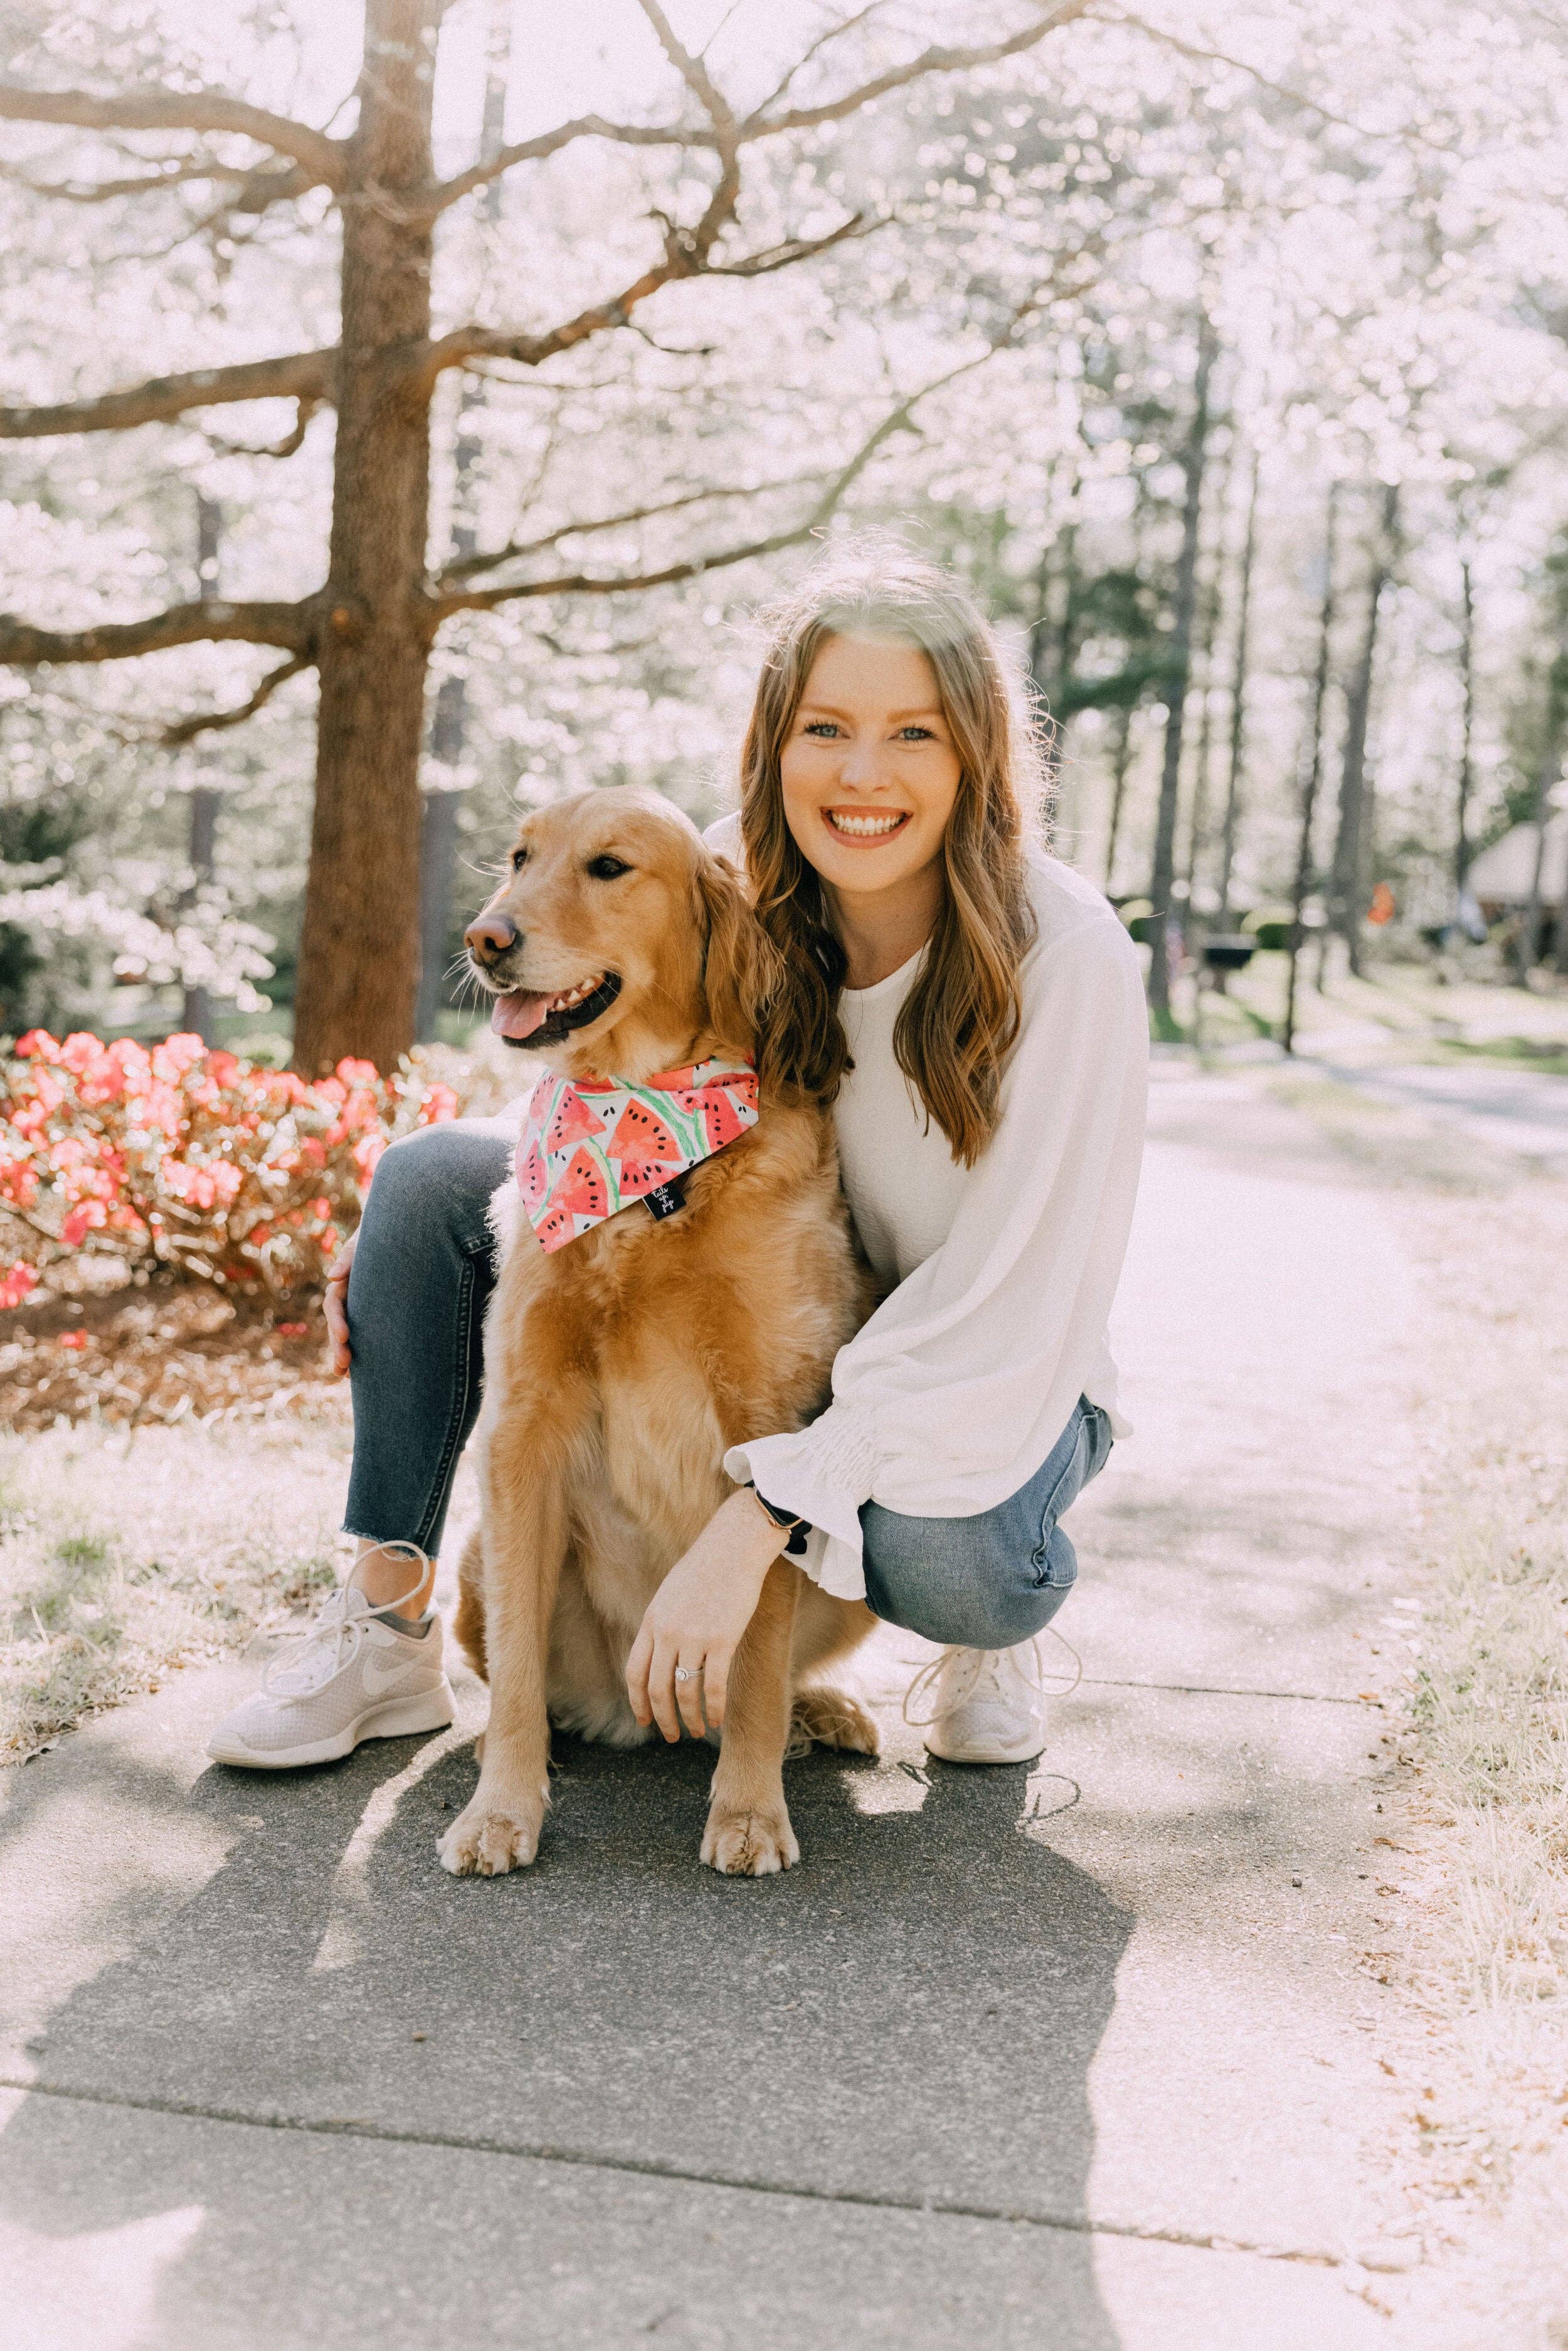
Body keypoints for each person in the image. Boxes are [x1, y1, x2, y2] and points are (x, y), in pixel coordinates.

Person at [208, 548, 1147, 1776]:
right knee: (430, 1185)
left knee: (947, 1554)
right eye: (825, 728)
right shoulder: (731, 872)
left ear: (973, 751)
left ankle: (990, 1633)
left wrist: (751, 1523)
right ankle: (386, 1630)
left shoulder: (1064, 954)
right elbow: (613, 1058)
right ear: (773, 744)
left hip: (988, 1366)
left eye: (911, 732)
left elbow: (1009, 1310)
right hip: (802, 1292)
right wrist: (451, 1234)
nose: (862, 775)